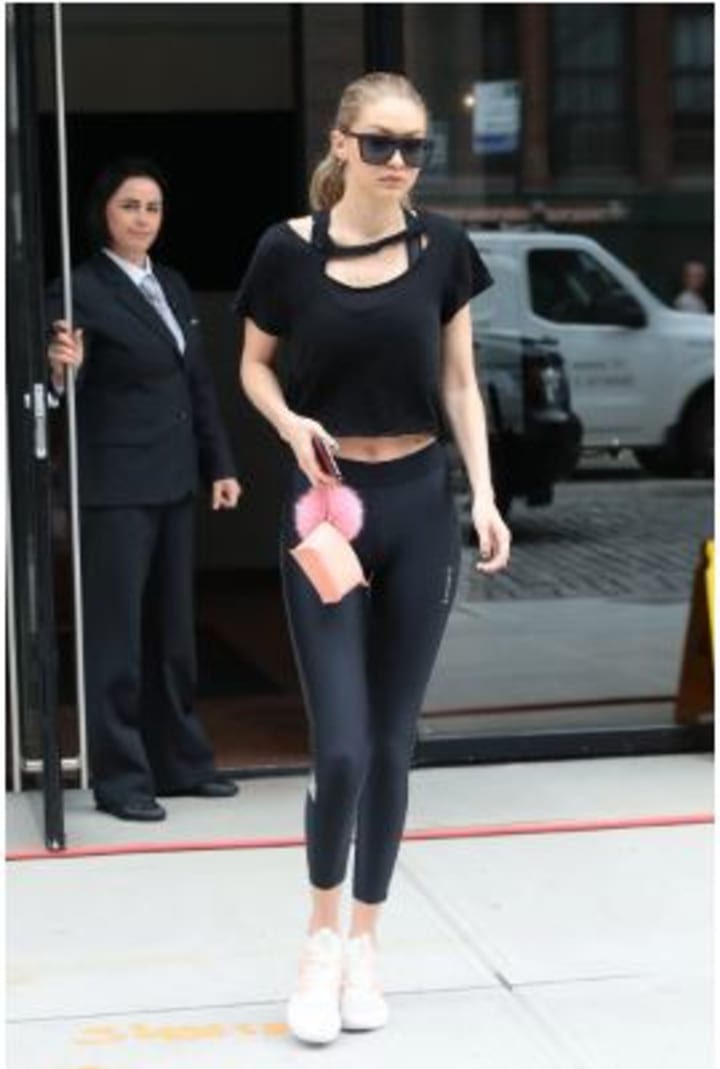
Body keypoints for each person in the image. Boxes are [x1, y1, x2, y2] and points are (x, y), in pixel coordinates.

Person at [235, 72, 510, 1045]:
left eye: (415, 147)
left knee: (394, 744)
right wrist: (289, 422)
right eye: (382, 143)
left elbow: (461, 383)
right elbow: (252, 364)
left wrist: (484, 494)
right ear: (342, 143)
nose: (399, 162)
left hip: (421, 504)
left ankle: (365, 944)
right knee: (342, 746)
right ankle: (318, 940)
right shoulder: (287, 250)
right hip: (326, 509)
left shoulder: (444, 248)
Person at [47, 158, 242, 822]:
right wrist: (62, 370)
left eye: (153, 207)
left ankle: (180, 763)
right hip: (114, 488)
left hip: (174, 479)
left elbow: (197, 384)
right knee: (117, 637)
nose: (142, 218)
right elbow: (52, 380)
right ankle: (121, 778)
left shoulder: (173, 284)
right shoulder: (78, 289)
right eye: (129, 205)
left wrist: (220, 464)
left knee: (172, 633)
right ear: (103, 212)